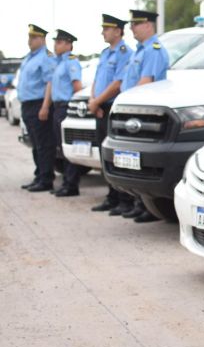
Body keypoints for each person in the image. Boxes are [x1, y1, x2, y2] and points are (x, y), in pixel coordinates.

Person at [118, 9, 170, 223]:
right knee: (132, 160)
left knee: (142, 161)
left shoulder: (153, 50)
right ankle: (139, 203)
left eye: (136, 24)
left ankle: (148, 207)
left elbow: (146, 82)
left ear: (148, 25)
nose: (132, 28)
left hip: (146, 113)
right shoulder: (140, 51)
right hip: (133, 112)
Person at [89, 14, 135, 213]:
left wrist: (97, 102)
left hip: (111, 108)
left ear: (118, 31)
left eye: (106, 29)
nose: (103, 32)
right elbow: (97, 80)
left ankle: (125, 199)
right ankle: (112, 196)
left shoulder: (125, 53)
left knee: (117, 155)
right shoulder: (105, 53)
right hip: (99, 107)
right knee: (103, 154)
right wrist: (93, 100)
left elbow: (117, 84)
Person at [45, 29, 84, 197]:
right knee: (61, 147)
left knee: (68, 147)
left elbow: (77, 87)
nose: (56, 45)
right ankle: (67, 182)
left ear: (69, 45)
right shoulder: (58, 62)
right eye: (55, 42)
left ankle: (71, 185)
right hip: (57, 108)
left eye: (59, 42)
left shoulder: (71, 62)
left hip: (66, 107)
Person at [18, 24, 58, 192]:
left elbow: (50, 82)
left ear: (42, 39)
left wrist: (45, 106)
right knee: (35, 144)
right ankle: (39, 176)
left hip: (39, 104)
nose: (30, 41)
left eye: (33, 37)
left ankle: (46, 179)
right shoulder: (29, 57)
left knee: (44, 144)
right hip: (27, 105)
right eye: (29, 37)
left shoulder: (46, 57)